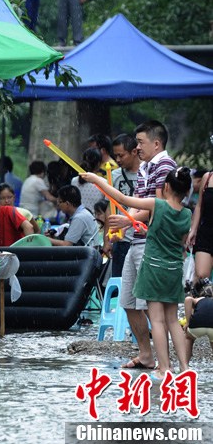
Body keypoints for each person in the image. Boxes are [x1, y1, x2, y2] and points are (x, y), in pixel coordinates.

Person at [82, 167, 193, 376]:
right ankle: (185, 367)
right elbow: (178, 243)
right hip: (173, 270)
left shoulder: (156, 204)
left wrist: (97, 179)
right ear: (187, 191)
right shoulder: (187, 214)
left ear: (166, 187)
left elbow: (122, 197)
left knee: (157, 320)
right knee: (172, 320)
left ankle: (164, 368)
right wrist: (148, 232)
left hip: (153, 269)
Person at [107, 120, 177, 371]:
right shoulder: (147, 167)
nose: (137, 147)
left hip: (153, 243)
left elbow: (158, 206)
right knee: (128, 302)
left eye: (140, 142)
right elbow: (138, 202)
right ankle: (146, 355)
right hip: (136, 241)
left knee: (151, 307)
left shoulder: (166, 165)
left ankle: (163, 360)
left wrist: (126, 221)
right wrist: (122, 227)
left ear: (156, 143)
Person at [108, 133, 140, 277]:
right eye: (116, 156)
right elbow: (110, 207)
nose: (118, 160)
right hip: (121, 240)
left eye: (121, 155)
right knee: (119, 283)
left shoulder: (146, 174)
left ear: (134, 152)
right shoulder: (114, 176)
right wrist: (106, 240)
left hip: (141, 239)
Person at [188, 168, 213, 291]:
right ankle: (196, 307)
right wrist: (193, 230)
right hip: (206, 232)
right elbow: (199, 206)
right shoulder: (207, 177)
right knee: (201, 276)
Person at [184, 284, 213, 365]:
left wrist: (188, 322)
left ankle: (184, 365)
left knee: (188, 338)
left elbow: (188, 299)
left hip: (197, 325)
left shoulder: (198, 299)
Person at [70, 148, 106, 214]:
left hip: (78, 219)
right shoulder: (103, 182)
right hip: (96, 221)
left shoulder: (74, 181)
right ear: (99, 164)